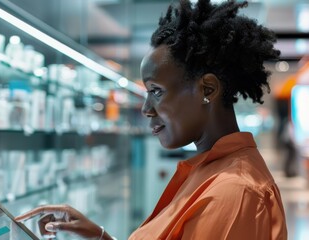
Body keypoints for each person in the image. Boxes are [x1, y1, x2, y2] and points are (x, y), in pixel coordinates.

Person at [15, 0, 288, 239]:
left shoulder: (234, 194)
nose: (146, 108)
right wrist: (99, 236)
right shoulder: (212, 170)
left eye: (156, 91)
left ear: (207, 90)